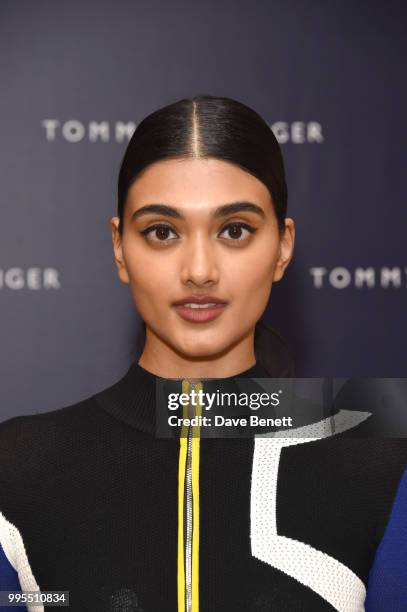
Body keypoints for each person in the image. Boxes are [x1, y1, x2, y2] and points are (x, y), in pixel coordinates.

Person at [0, 95, 406, 611]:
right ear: (120, 247)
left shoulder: (384, 456)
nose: (198, 270)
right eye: (162, 232)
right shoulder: (17, 466)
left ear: (283, 246)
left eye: (234, 230)